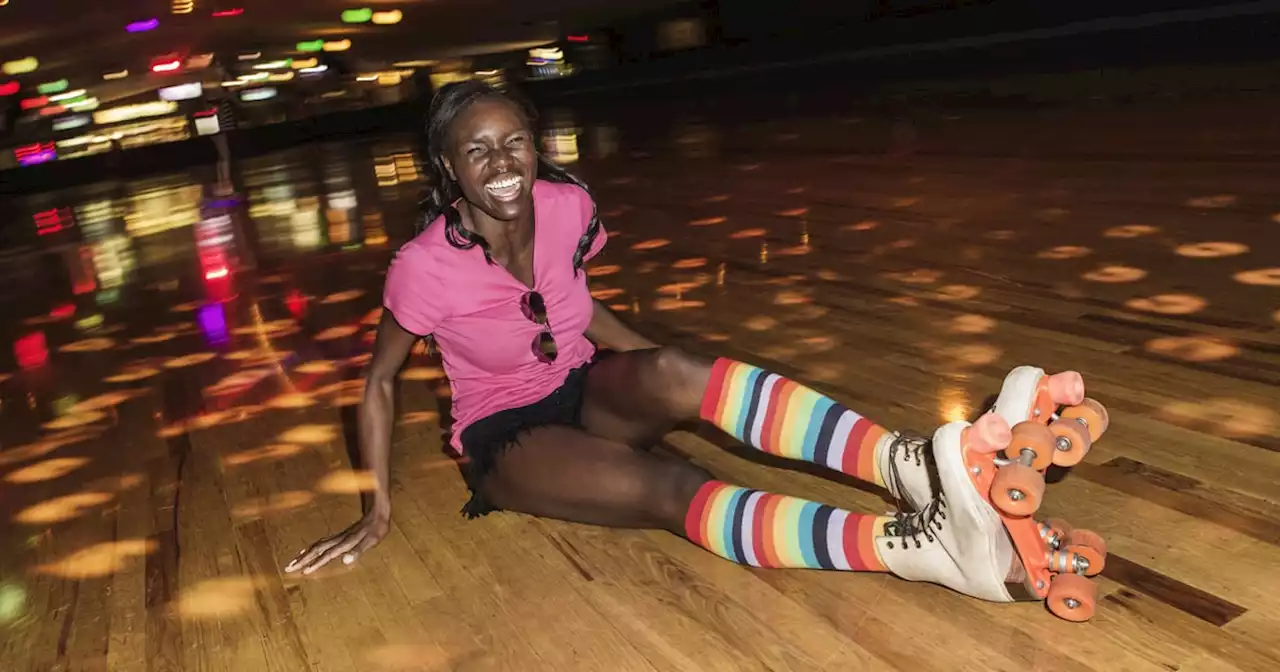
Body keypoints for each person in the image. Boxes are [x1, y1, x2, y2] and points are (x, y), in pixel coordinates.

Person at [283, 81, 1094, 612]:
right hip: (508, 437)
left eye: (514, 143)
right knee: (674, 487)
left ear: (536, 144)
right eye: (477, 151)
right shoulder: (424, 268)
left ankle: (911, 464)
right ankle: (919, 551)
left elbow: (575, 305)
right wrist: (378, 507)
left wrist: (676, 386)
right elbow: (382, 383)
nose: (502, 165)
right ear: (447, 167)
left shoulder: (566, 205)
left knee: (680, 366)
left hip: (583, 386)